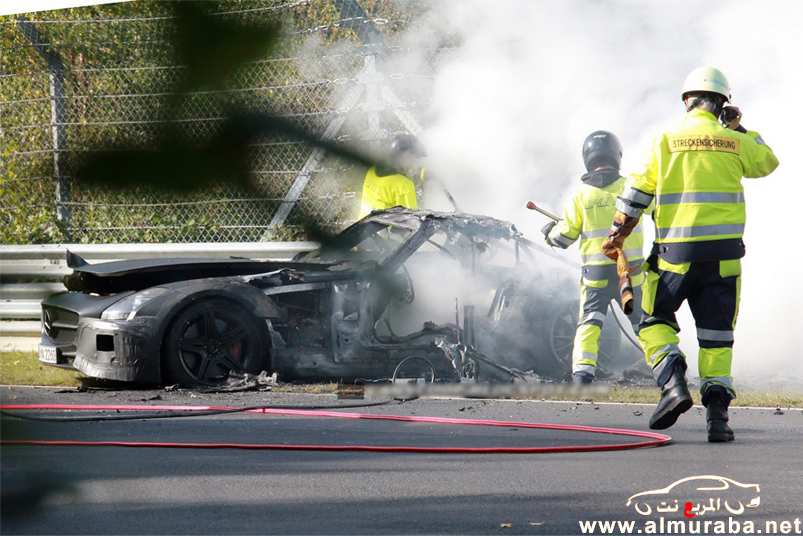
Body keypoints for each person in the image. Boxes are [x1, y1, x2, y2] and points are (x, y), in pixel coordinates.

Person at [603, 66, 779, 441]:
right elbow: (767, 162)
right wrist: (739, 129)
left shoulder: (665, 139)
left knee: (653, 321)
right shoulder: (733, 139)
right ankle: (718, 419)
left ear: (686, 101)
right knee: (717, 339)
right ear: (722, 105)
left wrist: (616, 234)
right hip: (724, 260)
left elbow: (636, 195)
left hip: (674, 258)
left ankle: (672, 382)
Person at [542, 130, 646, 384]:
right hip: (629, 273)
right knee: (644, 324)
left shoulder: (580, 195)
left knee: (589, 324)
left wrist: (549, 233)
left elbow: (564, 238)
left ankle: (582, 376)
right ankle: (667, 370)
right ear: (617, 155)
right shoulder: (631, 186)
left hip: (596, 277)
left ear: (587, 158)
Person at [359, 134, 427, 219]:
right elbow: (413, 219)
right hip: (388, 232)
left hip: (362, 229)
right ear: (403, 157)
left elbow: (387, 189)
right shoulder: (404, 186)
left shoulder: (372, 172)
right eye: (413, 158)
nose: (413, 163)